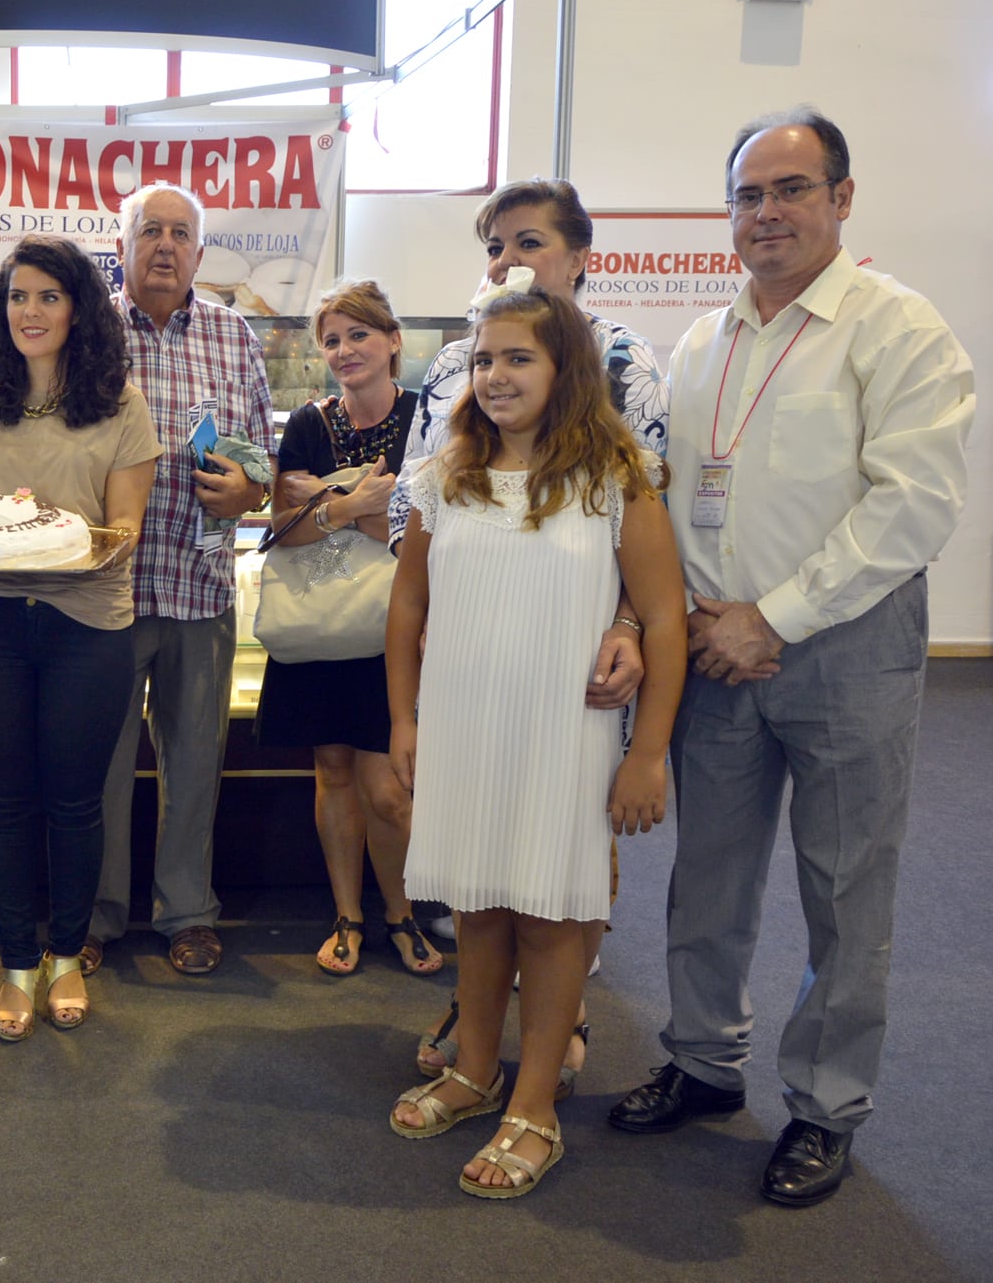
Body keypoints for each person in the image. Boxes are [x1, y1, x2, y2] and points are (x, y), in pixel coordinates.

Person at [609, 108, 975, 1208]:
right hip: (714, 649)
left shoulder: (898, 329)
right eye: (747, 195)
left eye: (791, 189)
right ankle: (702, 1061)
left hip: (844, 651)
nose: (765, 213)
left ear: (841, 198)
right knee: (707, 876)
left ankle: (825, 1106)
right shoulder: (702, 342)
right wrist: (673, 617)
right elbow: (669, 494)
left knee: (845, 889)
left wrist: (774, 618)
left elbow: (912, 506)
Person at [385, 287, 686, 1199]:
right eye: (484, 359)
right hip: (465, 725)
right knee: (478, 902)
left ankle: (536, 1106)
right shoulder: (445, 476)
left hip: (564, 732)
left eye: (519, 358)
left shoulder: (616, 478)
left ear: (567, 370)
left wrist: (647, 754)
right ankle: (477, 1071)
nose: (496, 375)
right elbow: (408, 607)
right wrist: (404, 720)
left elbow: (664, 618)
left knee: (553, 916)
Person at [0, 235, 161, 1041]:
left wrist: (49, 537)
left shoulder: (121, 404)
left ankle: (66, 956)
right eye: (17, 297)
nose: (30, 312)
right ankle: (15, 965)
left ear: (78, 310)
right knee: (4, 804)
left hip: (88, 626)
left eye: (48, 297)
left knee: (75, 805)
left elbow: (125, 530)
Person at [87, 182, 274, 978]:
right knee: (98, 766)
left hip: (200, 587)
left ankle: (187, 913)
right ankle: (94, 915)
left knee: (195, 765)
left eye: (180, 233)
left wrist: (247, 491)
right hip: (105, 592)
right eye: (150, 231)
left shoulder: (235, 335)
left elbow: (263, 459)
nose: (165, 245)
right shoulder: (88, 332)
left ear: (200, 253)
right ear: (121, 247)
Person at [257, 280, 440, 979]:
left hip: (396, 628)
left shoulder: (427, 417)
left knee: (389, 787)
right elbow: (284, 528)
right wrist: (355, 504)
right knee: (332, 770)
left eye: (358, 334)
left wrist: (323, 496)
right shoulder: (309, 422)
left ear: (393, 341)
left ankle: (402, 911)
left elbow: (432, 523)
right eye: (332, 340)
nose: (344, 350)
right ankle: (349, 916)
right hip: (323, 625)